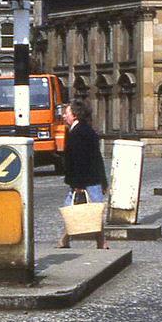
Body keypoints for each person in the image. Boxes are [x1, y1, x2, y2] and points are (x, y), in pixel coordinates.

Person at [57, 99, 109, 249]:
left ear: (75, 115)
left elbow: (80, 160)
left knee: (86, 211)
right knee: (76, 209)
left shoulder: (78, 133)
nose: (64, 116)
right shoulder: (85, 130)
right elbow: (97, 157)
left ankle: (101, 241)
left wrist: (78, 184)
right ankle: (65, 240)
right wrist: (103, 181)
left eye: (66, 113)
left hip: (86, 180)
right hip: (91, 179)